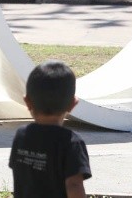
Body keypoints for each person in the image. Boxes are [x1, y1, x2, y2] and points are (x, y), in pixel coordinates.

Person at [9, 60, 92, 198]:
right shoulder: (71, 142)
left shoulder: (21, 136)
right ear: (73, 104)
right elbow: (74, 185)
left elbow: (20, 175)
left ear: (27, 102)